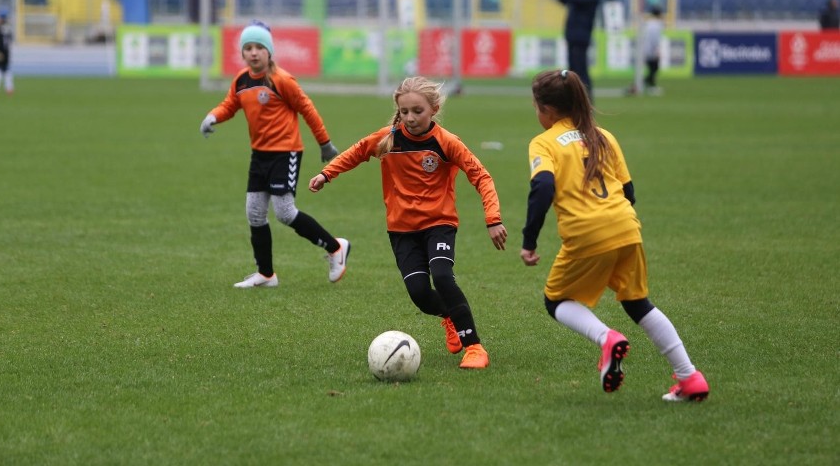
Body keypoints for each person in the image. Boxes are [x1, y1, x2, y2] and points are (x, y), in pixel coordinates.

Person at [520, 69, 709, 402]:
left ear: (546, 110)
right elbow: (629, 190)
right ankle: (690, 377)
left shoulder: (544, 142)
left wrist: (529, 241)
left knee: (556, 300)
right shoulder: (603, 135)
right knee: (638, 303)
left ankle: (607, 338)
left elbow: (543, 186)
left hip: (587, 234)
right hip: (626, 227)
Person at [308, 76, 508, 369]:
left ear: (434, 109)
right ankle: (449, 316)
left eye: (418, 111)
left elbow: (481, 176)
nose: (411, 118)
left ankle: (474, 347)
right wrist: (327, 174)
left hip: (439, 223)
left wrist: (493, 219)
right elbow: (357, 152)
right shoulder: (388, 139)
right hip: (401, 229)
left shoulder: (446, 142)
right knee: (418, 292)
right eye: (405, 112)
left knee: (441, 276)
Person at [200, 20, 350, 288]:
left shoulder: (282, 80)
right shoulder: (241, 80)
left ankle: (335, 247)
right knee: (254, 213)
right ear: (243, 53)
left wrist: (325, 143)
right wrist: (213, 116)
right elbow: (229, 104)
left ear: (269, 51)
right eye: (248, 48)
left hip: (286, 152)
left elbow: (308, 109)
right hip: (259, 155)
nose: (254, 53)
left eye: (259, 47)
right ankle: (266, 274)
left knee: (284, 212)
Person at [554, 0, 602, 99]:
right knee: (574, 70)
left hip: (581, 36)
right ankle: (578, 101)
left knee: (580, 71)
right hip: (574, 36)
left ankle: (586, 101)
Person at [642, 5, 664, 93]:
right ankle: (649, 84)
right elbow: (655, 39)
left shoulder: (649, 23)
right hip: (651, 49)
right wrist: (657, 50)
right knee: (654, 67)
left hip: (646, 48)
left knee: (652, 68)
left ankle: (648, 84)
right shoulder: (657, 25)